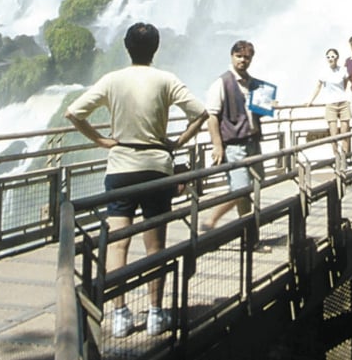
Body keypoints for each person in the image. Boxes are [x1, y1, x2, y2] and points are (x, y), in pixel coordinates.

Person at [64, 22, 208, 339]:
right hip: (157, 167)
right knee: (155, 245)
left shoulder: (112, 80)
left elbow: (73, 114)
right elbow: (201, 114)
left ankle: (120, 315)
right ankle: (156, 314)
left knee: (118, 245)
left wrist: (101, 141)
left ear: (127, 47)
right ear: (155, 48)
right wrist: (177, 142)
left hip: (121, 166)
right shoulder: (166, 79)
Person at [204, 40, 273, 230]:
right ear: (232, 56)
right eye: (239, 56)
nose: (243, 60)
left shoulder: (255, 85)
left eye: (247, 57)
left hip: (253, 143)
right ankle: (212, 220)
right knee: (241, 189)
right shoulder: (222, 83)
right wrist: (217, 146)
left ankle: (250, 236)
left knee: (252, 188)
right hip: (234, 145)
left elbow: (255, 114)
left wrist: (269, 107)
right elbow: (212, 116)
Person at [306, 47, 351, 161]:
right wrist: (311, 101)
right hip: (330, 104)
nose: (331, 59)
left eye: (333, 56)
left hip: (343, 103)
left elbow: (345, 84)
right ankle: (336, 159)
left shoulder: (343, 70)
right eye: (328, 57)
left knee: (345, 133)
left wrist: (340, 94)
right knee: (334, 134)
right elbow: (318, 87)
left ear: (337, 57)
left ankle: (344, 159)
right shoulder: (324, 72)